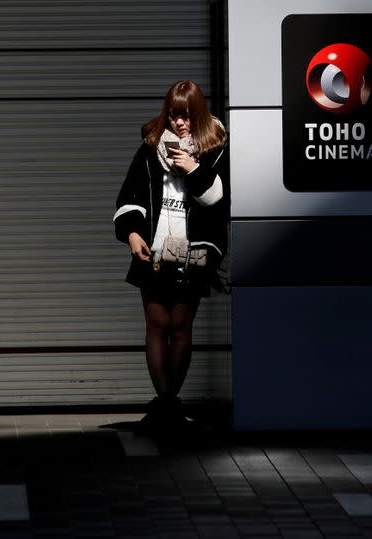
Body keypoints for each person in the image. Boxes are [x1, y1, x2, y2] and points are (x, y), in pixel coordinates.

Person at [113, 80, 229, 432]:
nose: (180, 124)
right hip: (154, 249)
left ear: (199, 115)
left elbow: (217, 201)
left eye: (187, 116)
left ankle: (170, 402)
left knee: (180, 327)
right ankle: (164, 401)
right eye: (175, 116)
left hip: (193, 252)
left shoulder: (216, 148)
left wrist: (192, 168)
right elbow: (129, 193)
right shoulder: (151, 146)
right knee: (156, 325)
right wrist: (132, 232)